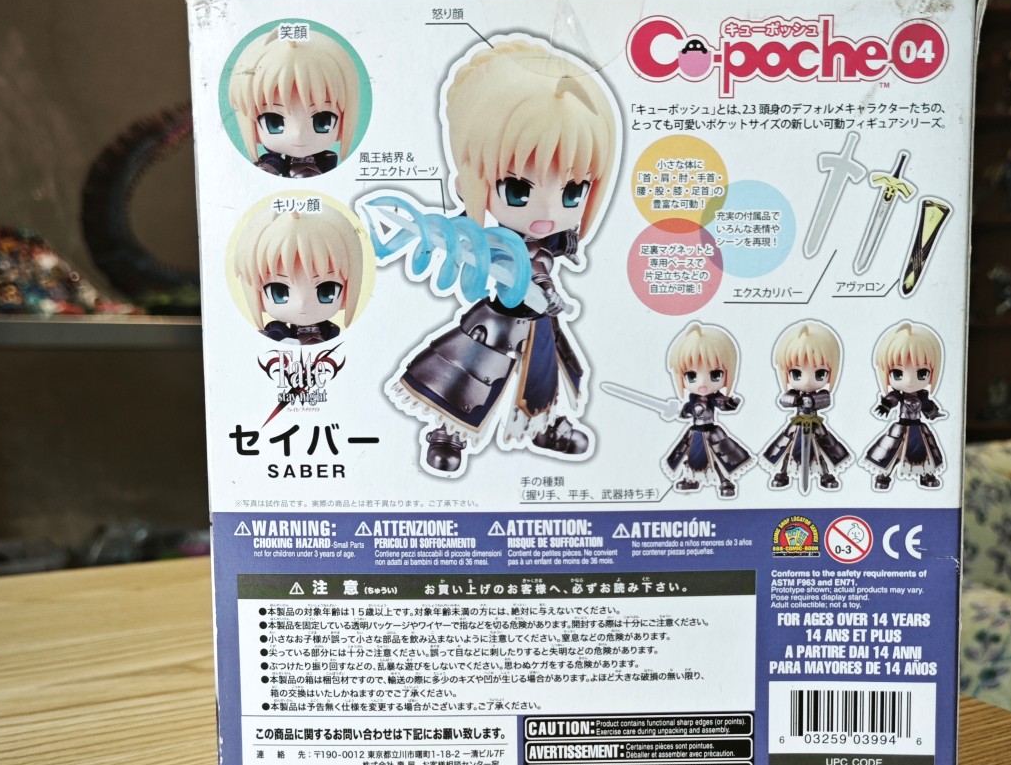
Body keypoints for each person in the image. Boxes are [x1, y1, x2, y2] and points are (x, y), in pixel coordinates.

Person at [389, 39, 616, 476]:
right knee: (467, 375)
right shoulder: (485, 240)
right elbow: (509, 265)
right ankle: (448, 433)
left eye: (573, 191)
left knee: (545, 377)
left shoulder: (552, 242)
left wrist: (548, 284)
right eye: (519, 189)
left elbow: (543, 262)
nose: (548, 212)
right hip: (497, 320)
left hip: (538, 320)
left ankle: (543, 425)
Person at [228, 27, 361, 177]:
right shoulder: (275, 160)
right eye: (273, 122)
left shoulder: (326, 159)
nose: (298, 134)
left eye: (322, 121)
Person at [229, 203, 366, 344]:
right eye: (278, 292)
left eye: (327, 291)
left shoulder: (329, 331)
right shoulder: (277, 332)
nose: (302, 303)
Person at [662, 322, 752, 498]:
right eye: (691, 376)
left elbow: (722, 404)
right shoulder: (692, 398)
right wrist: (682, 412)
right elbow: (688, 410)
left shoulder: (713, 397)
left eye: (715, 375)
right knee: (691, 457)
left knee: (718, 457)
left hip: (711, 431)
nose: (703, 382)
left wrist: (731, 403)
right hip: (695, 431)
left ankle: (724, 481)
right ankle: (691, 479)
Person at [760, 321, 850, 490]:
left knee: (821, 449)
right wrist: (794, 400)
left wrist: (813, 401)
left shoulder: (820, 395)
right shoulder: (795, 394)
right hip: (797, 424)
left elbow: (826, 399)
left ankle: (825, 474)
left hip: (815, 423)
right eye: (796, 373)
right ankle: (783, 472)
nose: (807, 380)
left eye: (820, 373)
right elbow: (784, 400)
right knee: (787, 449)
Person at [861, 321, 946, 490]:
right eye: (898, 373)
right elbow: (893, 398)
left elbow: (928, 406)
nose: (909, 381)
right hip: (901, 426)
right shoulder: (899, 394)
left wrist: (933, 412)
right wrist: (886, 404)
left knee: (924, 451)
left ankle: (926, 475)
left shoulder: (922, 396)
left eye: (922, 373)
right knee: (892, 450)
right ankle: (884, 476)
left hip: (918, 427)